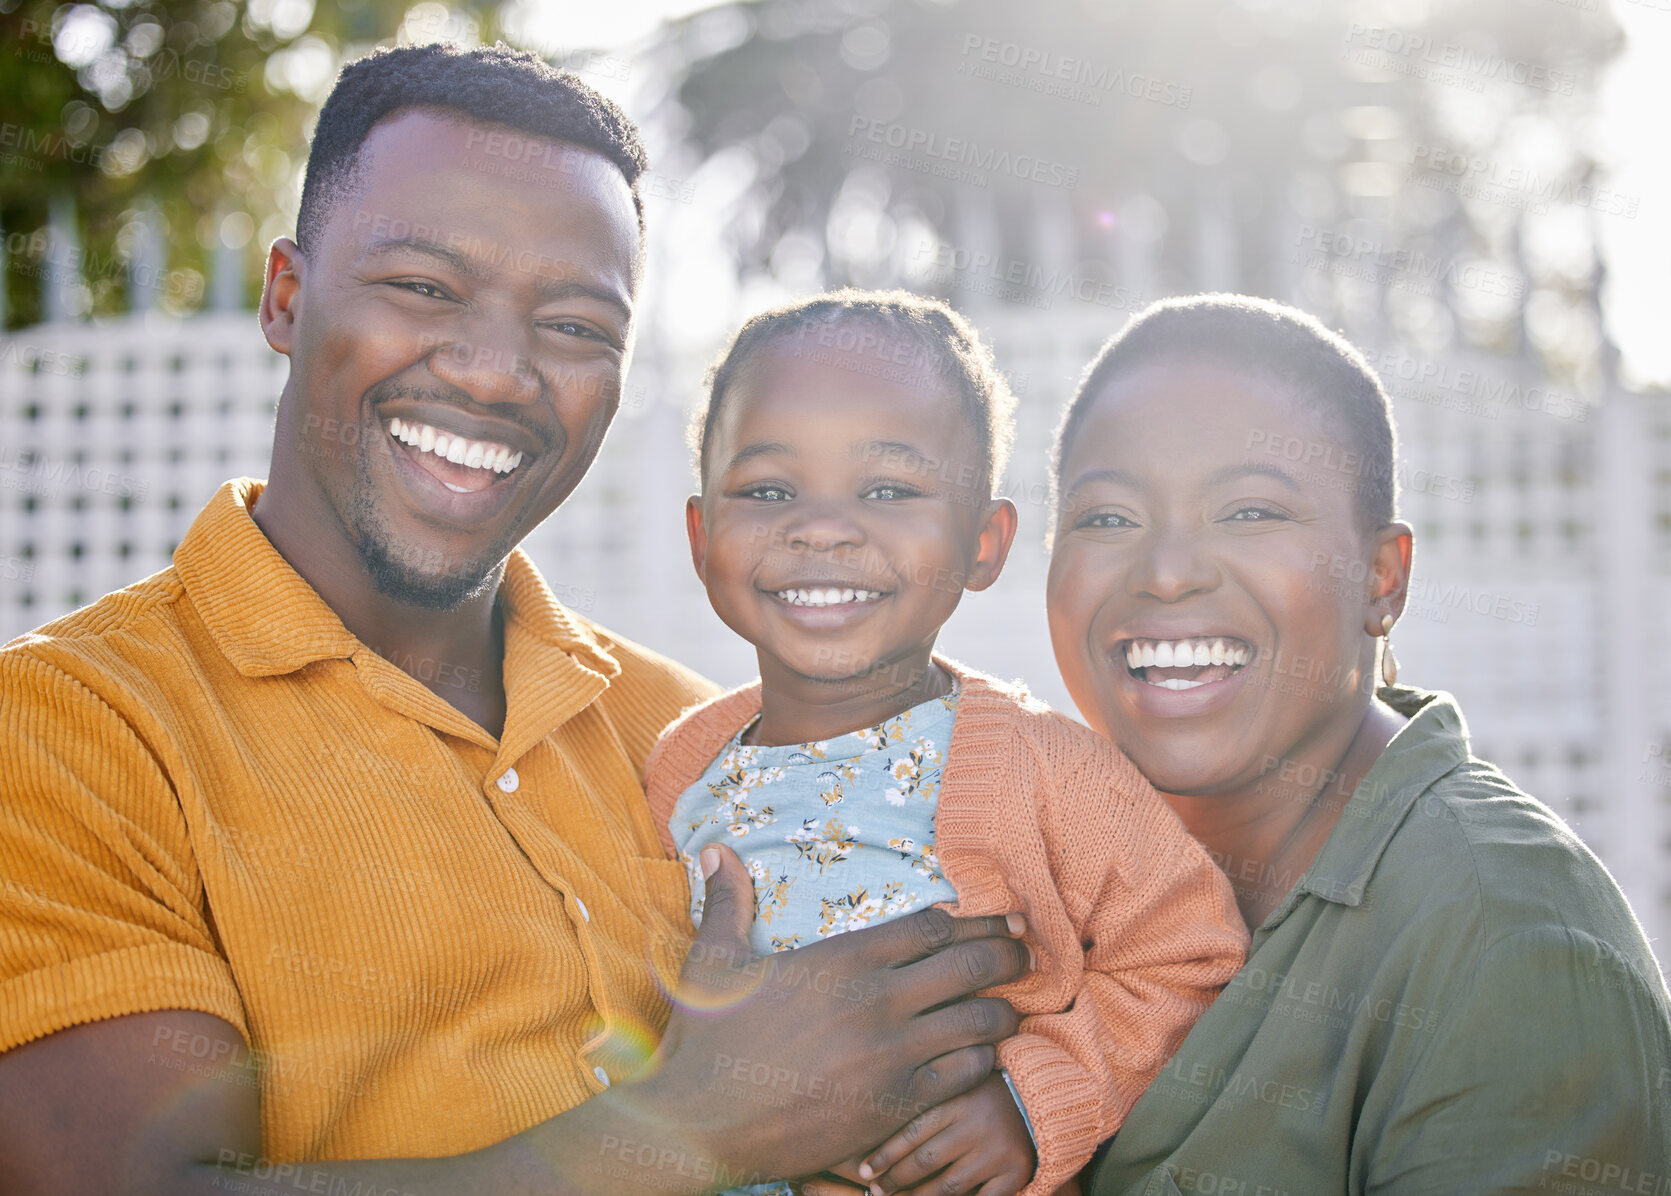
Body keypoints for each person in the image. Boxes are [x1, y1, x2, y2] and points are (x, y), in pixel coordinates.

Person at [0, 44, 1036, 1195]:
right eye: (425, 288)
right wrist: (690, 1123)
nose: (496, 373)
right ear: (287, 297)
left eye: (576, 325)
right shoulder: (69, 726)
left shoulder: (692, 735)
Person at [1038, 294, 1671, 1191]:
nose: (1168, 569)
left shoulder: (1507, 941)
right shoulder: (1020, 873)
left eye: (1249, 512)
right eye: (1106, 518)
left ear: (1381, 578)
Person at [643, 291, 1249, 1196]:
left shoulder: (1049, 770)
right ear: (701, 537)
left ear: (983, 542)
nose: (822, 526)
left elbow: (1189, 952)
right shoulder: (681, 766)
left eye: (888, 489)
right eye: (768, 490)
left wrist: (1029, 1101)